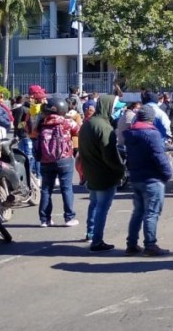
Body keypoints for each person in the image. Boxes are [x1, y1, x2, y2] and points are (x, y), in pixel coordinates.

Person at [123, 105, 173, 256]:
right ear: (151, 118)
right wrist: (167, 173)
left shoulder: (131, 134)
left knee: (138, 212)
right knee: (152, 212)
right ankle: (150, 245)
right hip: (152, 178)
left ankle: (131, 244)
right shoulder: (152, 134)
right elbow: (159, 156)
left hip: (136, 177)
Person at [78, 95, 125, 252]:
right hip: (104, 175)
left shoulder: (88, 123)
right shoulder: (104, 127)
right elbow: (110, 156)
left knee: (94, 204)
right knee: (102, 208)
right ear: (109, 108)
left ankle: (91, 232)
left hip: (91, 173)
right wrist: (121, 170)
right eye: (117, 109)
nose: (119, 112)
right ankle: (97, 241)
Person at [35, 97, 81, 228]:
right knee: (66, 188)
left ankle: (45, 219)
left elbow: (32, 133)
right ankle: (69, 218)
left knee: (46, 189)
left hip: (45, 160)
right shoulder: (66, 122)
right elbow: (78, 130)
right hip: (64, 158)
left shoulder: (41, 123)